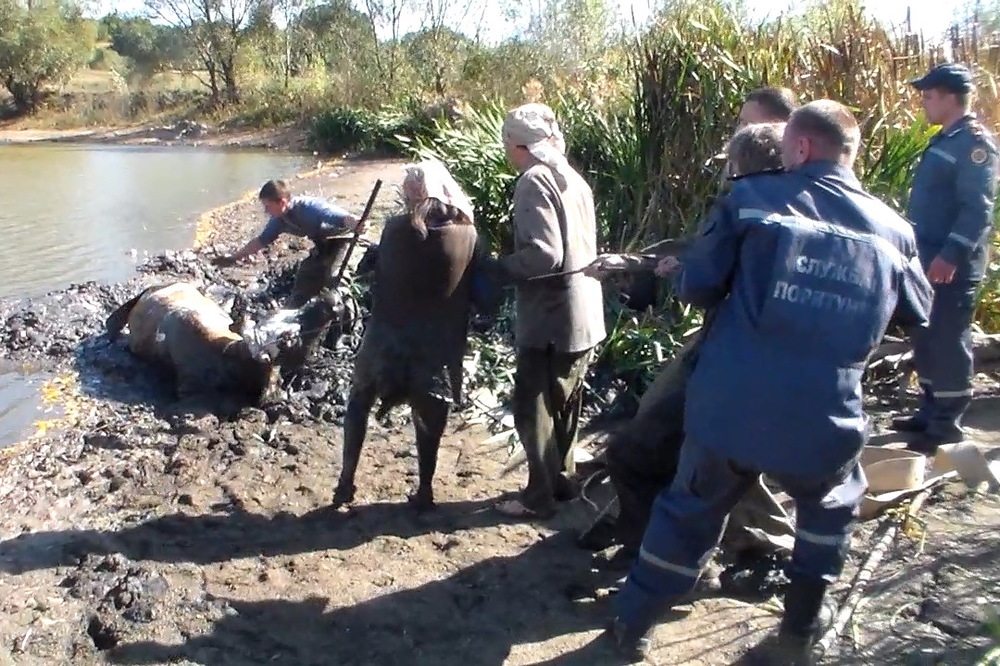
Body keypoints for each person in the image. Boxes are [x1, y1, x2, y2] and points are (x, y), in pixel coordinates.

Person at [607, 100, 934, 664]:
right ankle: (799, 630)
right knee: (829, 508)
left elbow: (698, 286)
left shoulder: (752, 200)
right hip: (825, 411)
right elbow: (916, 311)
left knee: (689, 509)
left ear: (801, 147)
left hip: (731, 404)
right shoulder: (895, 232)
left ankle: (634, 624)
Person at [583, 125, 798, 577]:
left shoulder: (744, 205)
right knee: (691, 454)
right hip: (772, 362)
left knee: (666, 455)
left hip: (731, 359)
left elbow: (702, 284)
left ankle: (669, 557)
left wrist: (684, 273)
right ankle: (652, 542)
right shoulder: (814, 207)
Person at [332, 160, 494, 510]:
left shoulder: (394, 228)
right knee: (430, 417)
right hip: (437, 348)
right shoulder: (470, 236)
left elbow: (370, 273)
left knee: (359, 401)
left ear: (412, 196)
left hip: (385, 341)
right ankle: (425, 490)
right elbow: (484, 295)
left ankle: (345, 481)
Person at [492, 103, 607, 520]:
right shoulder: (571, 177)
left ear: (516, 144)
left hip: (551, 316)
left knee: (533, 406)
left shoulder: (534, 180)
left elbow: (544, 255)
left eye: (506, 142)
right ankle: (563, 482)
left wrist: (499, 268)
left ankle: (538, 497)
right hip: (584, 313)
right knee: (566, 403)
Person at [891, 62, 999, 452]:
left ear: (952, 98)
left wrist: (952, 254)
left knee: (949, 338)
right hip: (927, 258)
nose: (924, 103)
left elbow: (977, 209)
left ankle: (947, 421)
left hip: (951, 264)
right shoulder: (946, 139)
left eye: (929, 96)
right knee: (926, 336)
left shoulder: (973, 144)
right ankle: (930, 409)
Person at [213, 179, 364, 307]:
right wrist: (233, 258)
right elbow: (261, 241)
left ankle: (349, 318)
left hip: (345, 240)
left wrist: (355, 223)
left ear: (282, 202)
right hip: (322, 245)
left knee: (335, 277)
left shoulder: (308, 207)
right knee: (304, 279)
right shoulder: (279, 220)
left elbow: (336, 215)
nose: (266, 211)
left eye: (268, 206)